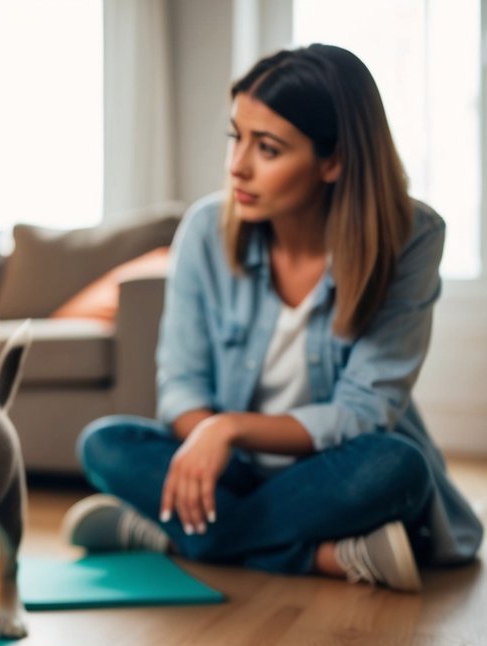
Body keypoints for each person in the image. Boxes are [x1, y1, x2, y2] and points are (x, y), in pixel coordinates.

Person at [62, 43, 482, 591]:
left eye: (268, 148)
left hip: (334, 467)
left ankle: (168, 536)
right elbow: (181, 389)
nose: (237, 165)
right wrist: (211, 436)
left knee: (398, 467)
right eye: (236, 137)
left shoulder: (412, 238)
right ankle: (322, 555)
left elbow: (364, 412)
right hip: (230, 471)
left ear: (333, 161)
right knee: (103, 442)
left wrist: (228, 426)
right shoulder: (205, 230)